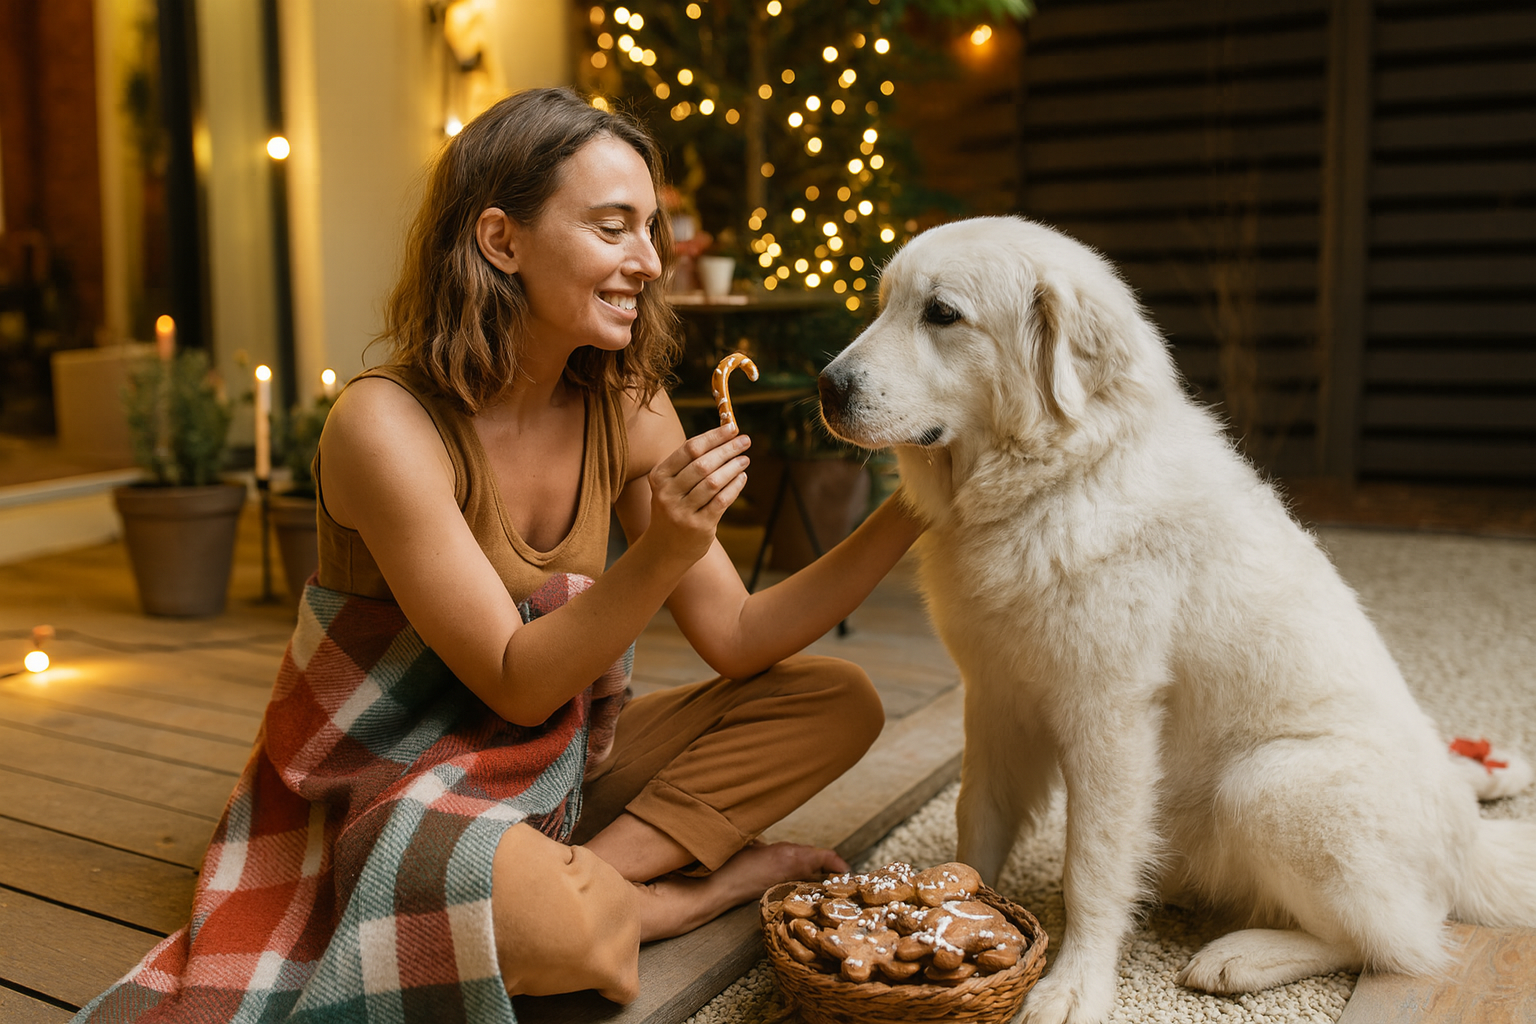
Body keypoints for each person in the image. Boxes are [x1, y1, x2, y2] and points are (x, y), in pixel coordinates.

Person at [71, 87, 923, 1024]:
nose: (650, 260)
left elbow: (739, 634)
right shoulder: (384, 424)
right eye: (612, 227)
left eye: (651, 228)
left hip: (557, 759)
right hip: (389, 782)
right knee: (543, 928)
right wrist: (666, 548)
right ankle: (667, 899)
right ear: (500, 241)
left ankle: (576, 879)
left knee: (838, 701)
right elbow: (517, 684)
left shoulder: (629, 405)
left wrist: (919, 506)